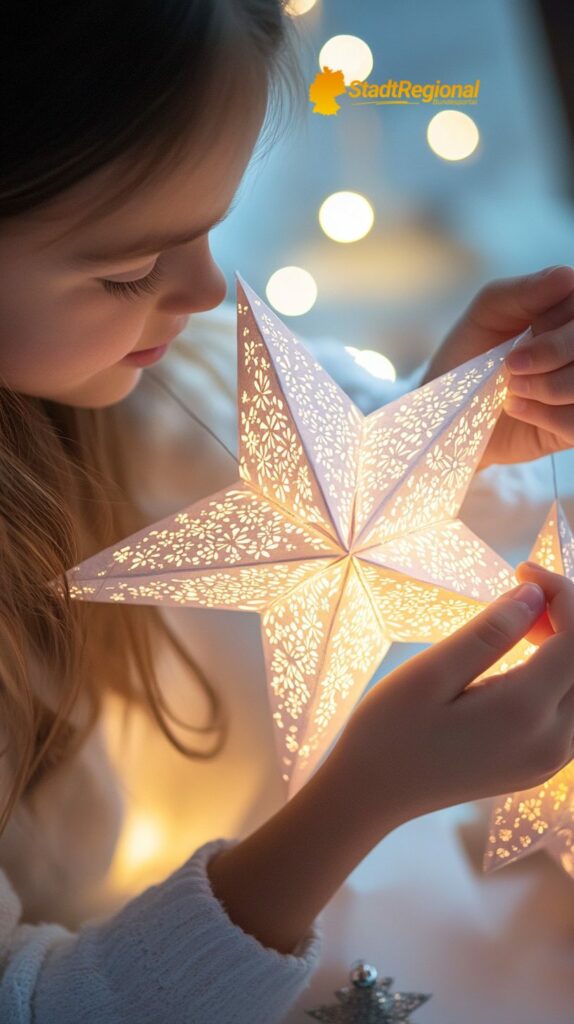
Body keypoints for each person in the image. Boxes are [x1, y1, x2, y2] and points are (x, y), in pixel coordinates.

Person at [0, 3, 574, 1022]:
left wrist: (442, 432)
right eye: (129, 266)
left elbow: (286, 488)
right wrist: (358, 797)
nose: (209, 286)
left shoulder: (167, 365)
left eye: (213, 223)